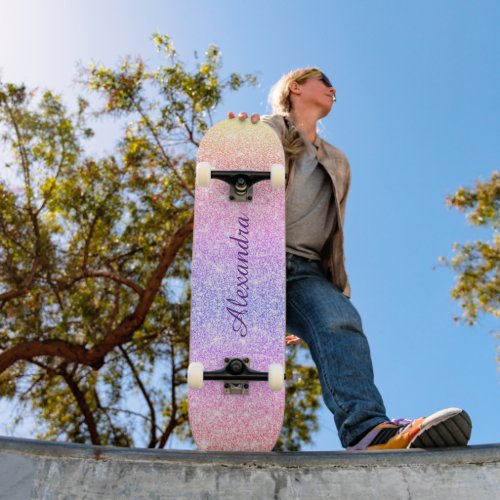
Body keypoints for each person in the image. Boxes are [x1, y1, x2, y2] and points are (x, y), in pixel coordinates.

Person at [228, 67, 472, 451]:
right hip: (255, 259)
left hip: (307, 271)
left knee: (340, 321)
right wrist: (239, 141)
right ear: (295, 87)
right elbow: (230, 182)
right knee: (248, 355)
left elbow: (332, 230)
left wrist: (325, 292)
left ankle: (367, 432)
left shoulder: (338, 161)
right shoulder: (266, 130)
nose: (332, 89)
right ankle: (239, 435)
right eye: (323, 82)